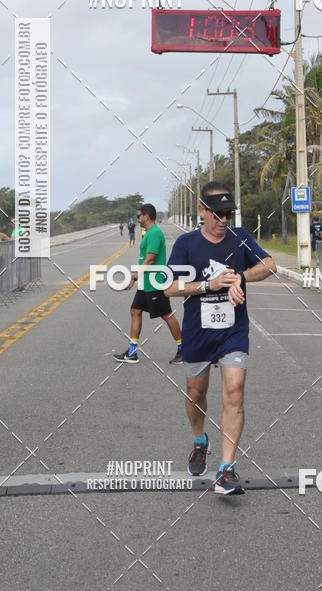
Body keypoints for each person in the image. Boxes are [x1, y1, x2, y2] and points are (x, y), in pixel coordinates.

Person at [164, 182, 275, 496]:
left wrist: (240, 276)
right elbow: (168, 287)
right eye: (218, 213)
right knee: (195, 393)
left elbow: (269, 264)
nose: (224, 219)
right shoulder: (186, 244)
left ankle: (226, 469)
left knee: (235, 393)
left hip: (233, 332)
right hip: (198, 332)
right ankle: (200, 441)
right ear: (202, 210)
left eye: (229, 213)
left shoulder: (240, 238)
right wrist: (208, 285)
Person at [113, 204, 182, 365]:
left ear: (146, 216)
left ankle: (183, 349)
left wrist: (134, 277)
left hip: (154, 282)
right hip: (147, 282)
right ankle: (132, 353)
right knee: (135, 311)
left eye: (139, 216)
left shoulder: (154, 233)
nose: (137, 219)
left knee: (167, 315)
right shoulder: (149, 233)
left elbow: (150, 259)